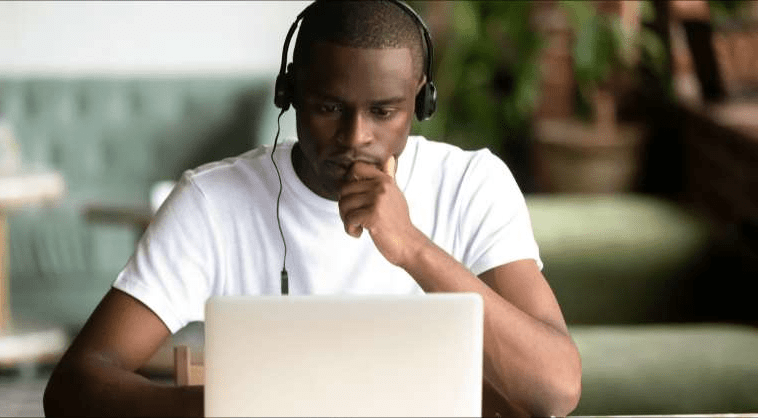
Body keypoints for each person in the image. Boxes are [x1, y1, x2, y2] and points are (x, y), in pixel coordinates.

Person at [43, 1, 581, 416]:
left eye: (383, 111)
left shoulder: (472, 184)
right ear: (291, 93)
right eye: (328, 108)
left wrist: (412, 247)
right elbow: (75, 386)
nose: (355, 137)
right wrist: (234, 409)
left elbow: (555, 388)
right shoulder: (212, 203)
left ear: (420, 100)